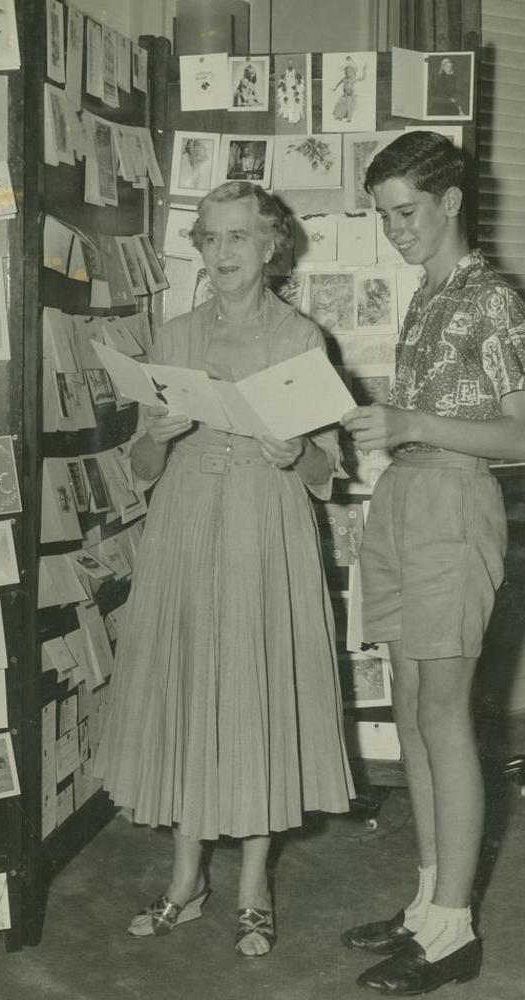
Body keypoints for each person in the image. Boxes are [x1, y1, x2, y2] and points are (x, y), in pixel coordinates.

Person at [94, 181, 354, 957]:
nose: (225, 252)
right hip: (182, 528)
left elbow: (325, 470)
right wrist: (162, 435)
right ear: (199, 249)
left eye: (239, 236)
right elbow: (139, 464)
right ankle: (185, 881)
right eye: (211, 238)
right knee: (185, 694)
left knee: (255, 694)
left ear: (272, 245)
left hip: (262, 527)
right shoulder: (172, 336)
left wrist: (296, 451)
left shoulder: (302, 339)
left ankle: (251, 887)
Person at [340, 131, 525, 994]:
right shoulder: (427, 296)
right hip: (405, 500)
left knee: (445, 711)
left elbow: (523, 435)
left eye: (405, 212)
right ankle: (426, 904)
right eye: (382, 216)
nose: (394, 230)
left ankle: (455, 932)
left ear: (451, 201)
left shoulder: (494, 300)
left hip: (455, 503)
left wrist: (411, 425)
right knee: (410, 704)